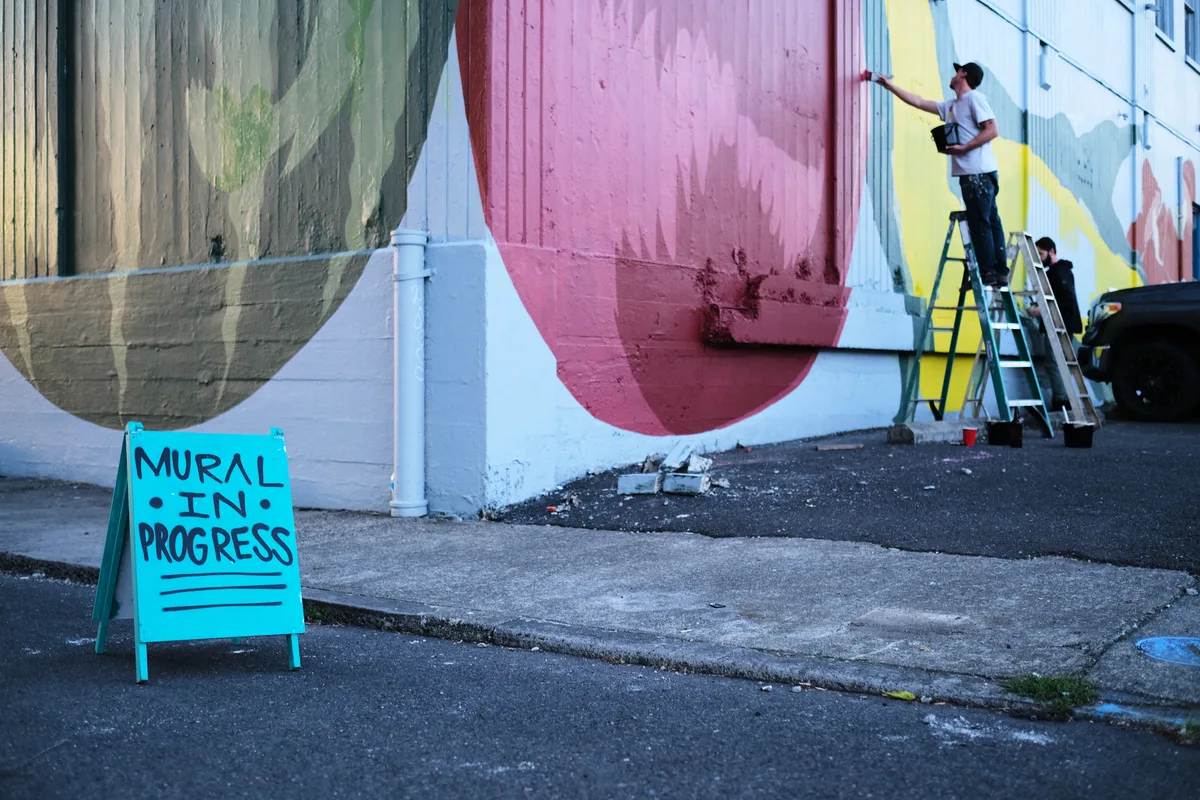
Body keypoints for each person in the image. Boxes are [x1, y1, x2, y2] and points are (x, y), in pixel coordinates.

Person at [875, 63, 1008, 287]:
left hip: (978, 173)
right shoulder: (952, 106)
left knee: (981, 223)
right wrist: (890, 87)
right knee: (990, 220)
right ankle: (999, 271)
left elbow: (992, 130)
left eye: (958, 71)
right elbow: (918, 101)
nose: (953, 74)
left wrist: (965, 148)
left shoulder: (974, 99)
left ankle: (988, 272)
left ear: (964, 74)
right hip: (977, 174)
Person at [1029, 237, 1083, 409]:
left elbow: (1065, 299)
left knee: (1054, 362)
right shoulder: (1064, 271)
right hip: (1064, 323)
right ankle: (1065, 399)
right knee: (1062, 363)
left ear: (1052, 251)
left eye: (1041, 254)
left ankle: (1061, 401)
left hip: (1059, 324)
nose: (1039, 258)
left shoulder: (1057, 272)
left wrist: (1041, 309)